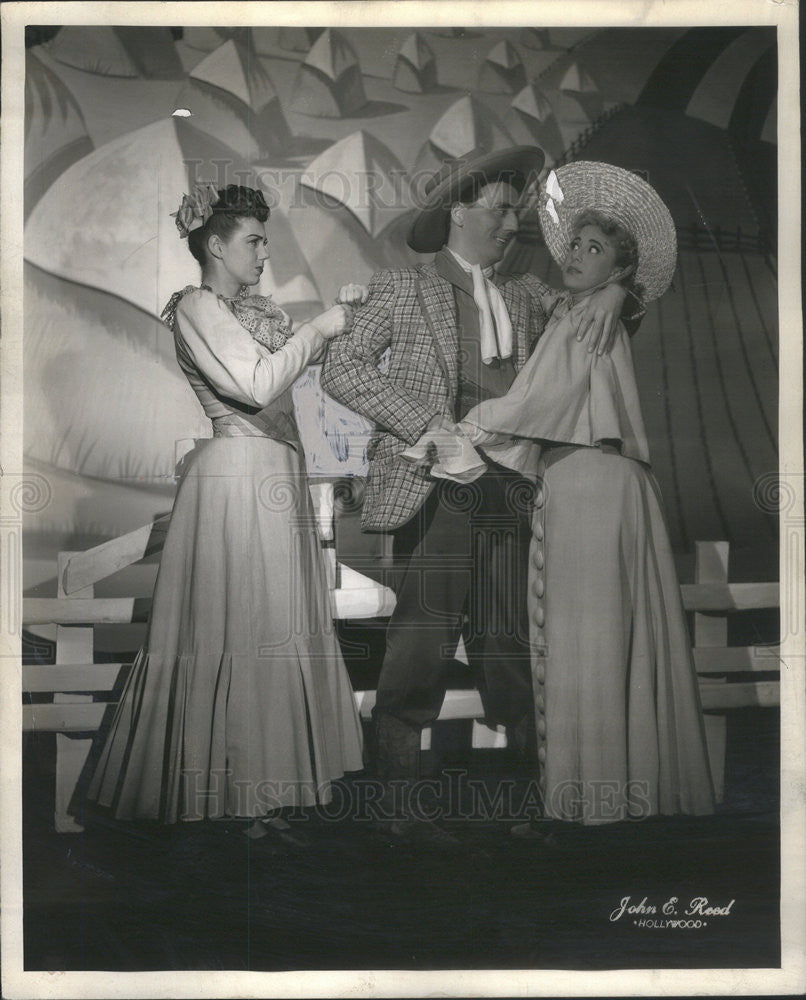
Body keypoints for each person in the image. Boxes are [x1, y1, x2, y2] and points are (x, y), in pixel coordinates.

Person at [320, 146, 627, 835]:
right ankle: (397, 807)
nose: (513, 223)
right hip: (434, 489)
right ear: (458, 213)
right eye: (500, 209)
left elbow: (603, 316)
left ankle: (531, 804)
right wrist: (430, 427)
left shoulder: (527, 295)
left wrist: (616, 290)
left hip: (510, 493)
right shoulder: (401, 288)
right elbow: (341, 369)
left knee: (512, 647)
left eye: (516, 211)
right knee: (420, 650)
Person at [408, 161, 716, 830]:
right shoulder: (578, 306)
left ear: (615, 267)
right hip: (609, 486)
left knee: (580, 645)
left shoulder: (582, 312)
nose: (575, 256)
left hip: (587, 485)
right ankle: (626, 791)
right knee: (602, 642)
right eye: (574, 244)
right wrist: (618, 289)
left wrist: (459, 428)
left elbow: (532, 403)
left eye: (594, 249)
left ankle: (587, 801)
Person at [88, 184, 364, 842]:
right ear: (216, 245)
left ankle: (266, 797)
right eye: (254, 240)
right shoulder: (195, 307)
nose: (266, 253)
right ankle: (221, 802)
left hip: (272, 475)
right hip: (237, 477)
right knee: (235, 630)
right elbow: (256, 385)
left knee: (270, 631)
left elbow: (287, 389)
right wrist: (321, 326)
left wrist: (333, 336)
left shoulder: (247, 312)